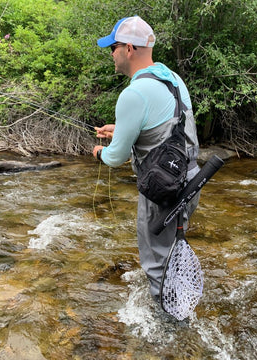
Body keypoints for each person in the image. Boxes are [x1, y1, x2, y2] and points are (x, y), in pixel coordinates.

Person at [92, 16, 200, 301]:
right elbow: (166, 128)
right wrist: (121, 130)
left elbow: (116, 157)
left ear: (128, 49)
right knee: (171, 253)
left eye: (112, 48)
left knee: (156, 266)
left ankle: (168, 331)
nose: (111, 55)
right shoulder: (173, 79)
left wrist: (101, 152)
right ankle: (178, 304)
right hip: (191, 181)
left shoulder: (134, 93)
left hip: (162, 192)